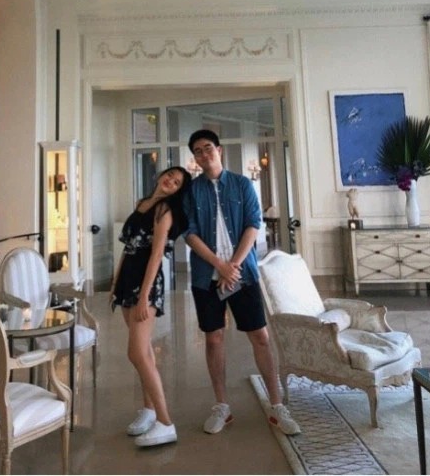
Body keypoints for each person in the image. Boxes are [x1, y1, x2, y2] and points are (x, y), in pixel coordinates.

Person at [184, 129, 301, 436]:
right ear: (194, 158)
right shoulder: (191, 191)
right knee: (213, 339)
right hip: (206, 277)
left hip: (242, 274)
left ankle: (277, 405)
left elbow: (253, 223)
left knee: (260, 336)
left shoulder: (242, 184)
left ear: (219, 150)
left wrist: (233, 265)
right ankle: (222, 406)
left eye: (208, 148)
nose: (204, 154)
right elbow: (190, 233)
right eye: (197, 151)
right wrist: (219, 265)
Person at [111, 165, 192, 447]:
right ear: (160, 176)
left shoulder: (164, 211)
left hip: (146, 282)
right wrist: (115, 282)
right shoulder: (142, 203)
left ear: (178, 190)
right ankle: (148, 410)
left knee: (137, 353)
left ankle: (166, 422)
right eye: (170, 175)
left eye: (177, 182)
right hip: (127, 279)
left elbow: (156, 254)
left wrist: (144, 295)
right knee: (143, 350)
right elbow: (128, 248)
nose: (171, 181)